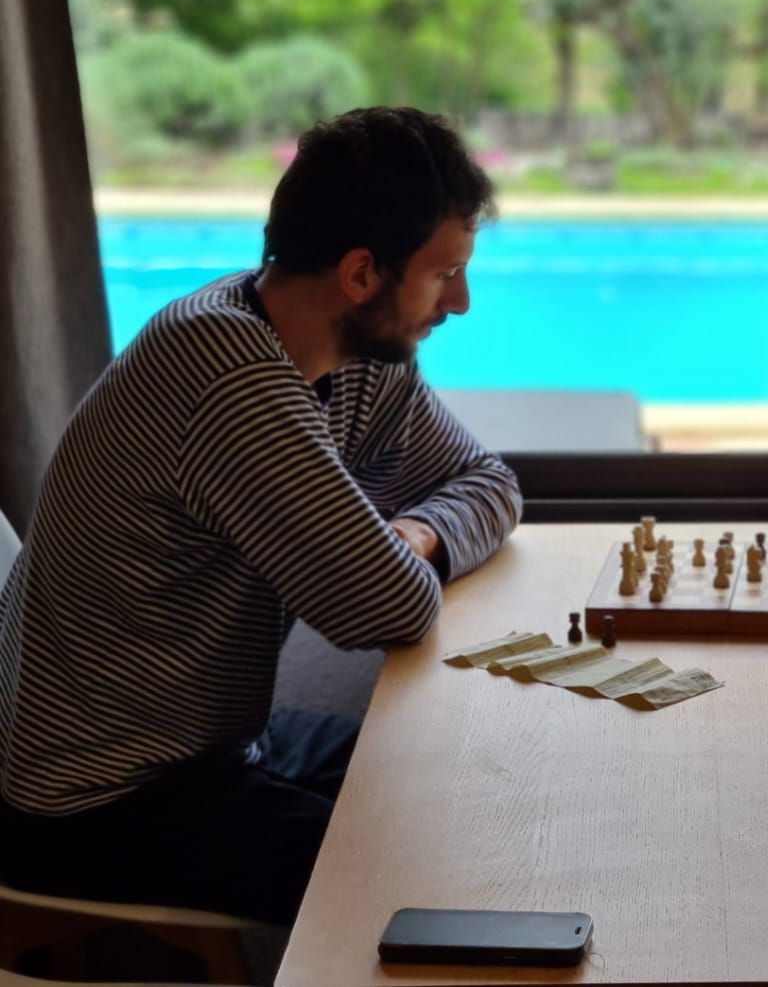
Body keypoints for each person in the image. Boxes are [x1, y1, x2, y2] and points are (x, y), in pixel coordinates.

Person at [0, 106, 522, 924]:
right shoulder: (225, 374)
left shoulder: (349, 352)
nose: (460, 302)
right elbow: (389, 607)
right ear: (361, 274)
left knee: (465, 788)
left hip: (213, 743)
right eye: (444, 272)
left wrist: (414, 532)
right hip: (94, 792)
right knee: (410, 874)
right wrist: (396, 556)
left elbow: (488, 481)